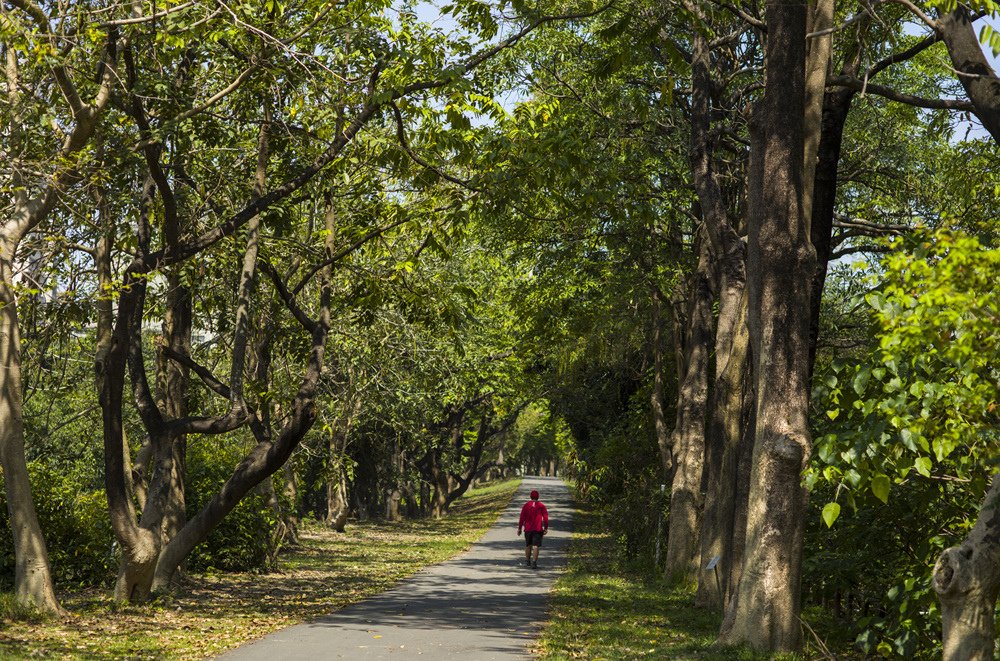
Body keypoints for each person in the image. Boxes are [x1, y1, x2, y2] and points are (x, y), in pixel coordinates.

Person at [517, 489, 548, 569]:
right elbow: (545, 517)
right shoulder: (541, 505)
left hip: (528, 529)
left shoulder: (526, 505)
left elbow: (521, 518)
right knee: (535, 546)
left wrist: (519, 528)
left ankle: (527, 560)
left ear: (530, 496)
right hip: (537, 529)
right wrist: (546, 527)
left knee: (528, 545)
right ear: (538, 497)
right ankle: (534, 562)